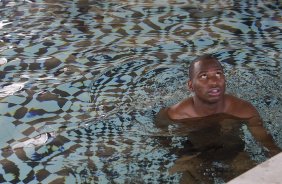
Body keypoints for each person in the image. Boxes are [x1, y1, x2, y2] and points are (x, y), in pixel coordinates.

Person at [155, 54, 281, 183]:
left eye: (218, 74)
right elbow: (160, 134)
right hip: (194, 155)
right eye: (203, 76)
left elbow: (269, 146)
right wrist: (177, 154)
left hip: (234, 153)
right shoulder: (175, 114)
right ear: (191, 85)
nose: (214, 81)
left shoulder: (243, 110)